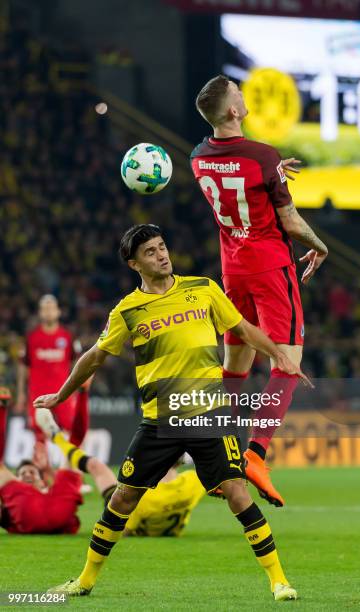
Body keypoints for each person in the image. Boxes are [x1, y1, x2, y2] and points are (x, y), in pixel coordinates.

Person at [34, 224, 311, 600]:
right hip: (160, 421)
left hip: (210, 415)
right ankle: (84, 579)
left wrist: (280, 354)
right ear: (134, 264)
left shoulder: (203, 289)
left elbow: (244, 329)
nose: (161, 255)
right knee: (122, 499)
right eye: (150, 252)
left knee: (236, 491)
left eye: (162, 247)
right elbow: (95, 356)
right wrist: (61, 394)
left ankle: (279, 581)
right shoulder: (128, 310)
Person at [191, 75, 328, 503]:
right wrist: (320, 246)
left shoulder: (198, 157)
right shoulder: (260, 155)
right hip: (271, 266)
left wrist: (274, 174)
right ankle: (255, 452)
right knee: (287, 362)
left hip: (233, 272)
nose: (243, 96)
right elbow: (287, 221)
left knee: (235, 365)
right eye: (238, 93)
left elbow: (238, 185)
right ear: (233, 110)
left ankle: (221, 453)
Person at [0, 409, 114, 535]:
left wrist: (47, 469)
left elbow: (53, 486)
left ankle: (82, 394)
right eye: (22, 474)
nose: (27, 474)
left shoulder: (57, 493)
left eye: (32, 472)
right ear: (16, 481)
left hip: (56, 505)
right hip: (29, 507)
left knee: (75, 446)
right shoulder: (13, 500)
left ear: (42, 483)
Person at [15, 294, 90, 451]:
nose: (49, 312)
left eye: (51, 309)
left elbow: (76, 363)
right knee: (39, 435)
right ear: (40, 313)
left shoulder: (67, 337)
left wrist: (75, 387)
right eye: (45, 309)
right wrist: (21, 392)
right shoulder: (31, 338)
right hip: (38, 393)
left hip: (63, 393)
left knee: (73, 431)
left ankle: (74, 470)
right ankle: (43, 472)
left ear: (58, 312)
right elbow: (23, 366)